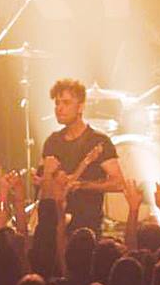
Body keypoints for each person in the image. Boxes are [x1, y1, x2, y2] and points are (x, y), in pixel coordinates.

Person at [41, 79, 125, 235]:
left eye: (66, 103)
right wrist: (43, 178)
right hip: (55, 224)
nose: (59, 108)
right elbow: (44, 188)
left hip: (87, 226)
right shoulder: (52, 142)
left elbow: (118, 183)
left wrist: (84, 185)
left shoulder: (98, 141)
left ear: (80, 107)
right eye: (57, 103)